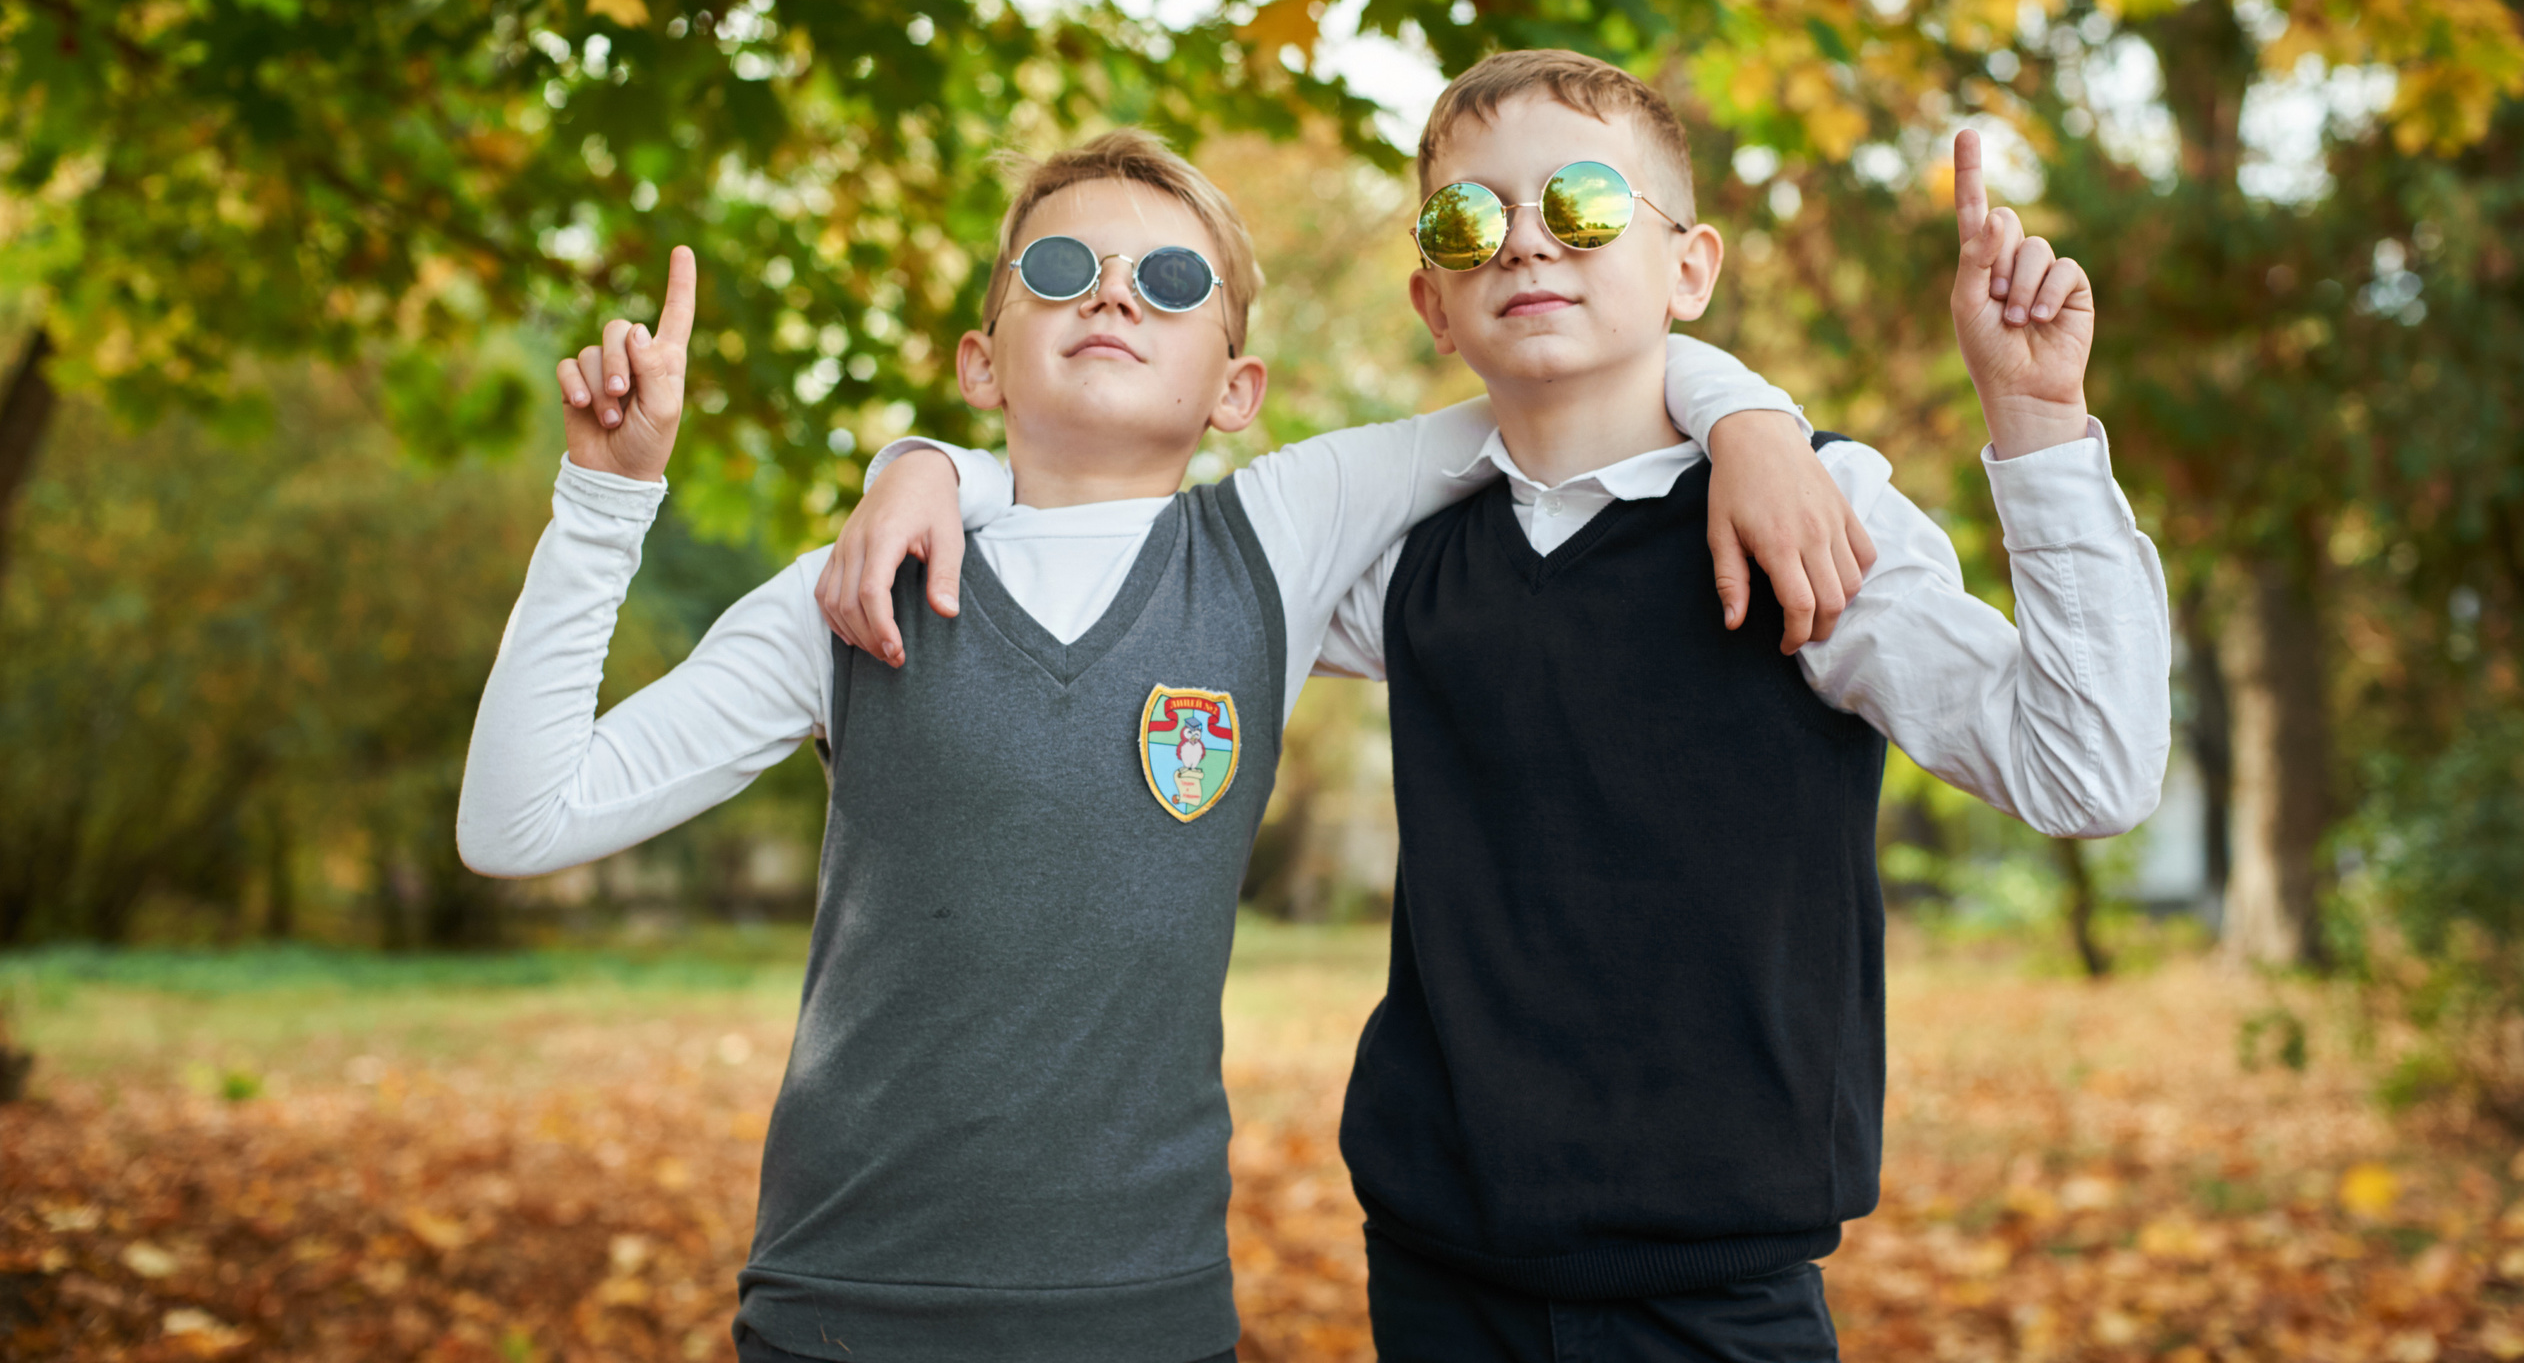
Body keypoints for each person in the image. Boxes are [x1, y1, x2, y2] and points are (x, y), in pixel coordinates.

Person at [457, 127, 1870, 1363]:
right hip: (846, 1302)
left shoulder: (1273, 540)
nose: (1117, 294)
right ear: (981, 360)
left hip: (1146, 1314)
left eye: (1174, 282)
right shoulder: (852, 590)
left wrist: (1751, 418)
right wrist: (608, 499)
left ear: (1235, 390)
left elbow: (1568, 378)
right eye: (1060, 272)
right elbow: (518, 823)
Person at [860, 54, 2173, 1362]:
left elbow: (2087, 773)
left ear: (1690, 268)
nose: (1529, 240)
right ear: (1434, 300)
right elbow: (1115, 524)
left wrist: (2036, 416)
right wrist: (935, 469)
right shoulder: (1399, 564)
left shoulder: (1808, 523)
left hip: (1715, 1291)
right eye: (1469, 219)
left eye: (1586, 205)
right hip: (1439, 1275)